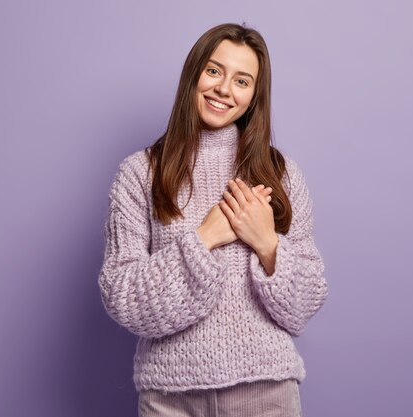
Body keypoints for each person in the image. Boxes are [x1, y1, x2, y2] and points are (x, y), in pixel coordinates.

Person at [98, 22, 328, 417]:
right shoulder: (140, 172)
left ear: (255, 95)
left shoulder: (280, 173)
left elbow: (303, 307)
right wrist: (204, 238)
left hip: (265, 393)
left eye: (242, 80)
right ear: (194, 74)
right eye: (214, 71)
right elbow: (123, 298)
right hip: (170, 398)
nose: (224, 89)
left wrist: (267, 244)